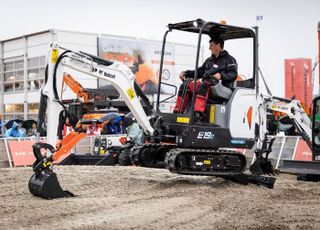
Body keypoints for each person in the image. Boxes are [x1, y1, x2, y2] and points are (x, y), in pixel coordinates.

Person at [173, 36, 238, 120]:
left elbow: (233, 74)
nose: (209, 48)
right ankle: (178, 111)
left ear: (218, 45)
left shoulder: (229, 60)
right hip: (208, 84)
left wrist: (221, 75)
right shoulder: (209, 60)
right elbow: (200, 71)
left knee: (204, 84)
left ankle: (198, 113)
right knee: (186, 85)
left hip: (222, 86)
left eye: (211, 45)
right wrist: (186, 73)